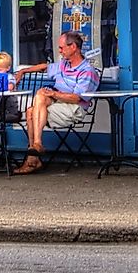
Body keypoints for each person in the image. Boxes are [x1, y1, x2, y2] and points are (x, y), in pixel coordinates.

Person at [12, 31, 101, 174]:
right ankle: (37, 145)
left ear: (73, 47)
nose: (59, 51)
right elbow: (44, 67)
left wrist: (54, 94)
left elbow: (77, 98)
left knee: (31, 111)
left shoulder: (87, 71)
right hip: (57, 104)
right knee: (39, 96)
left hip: (74, 109)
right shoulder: (63, 65)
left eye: (61, 48)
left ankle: (33, 159)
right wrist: (23, 71)